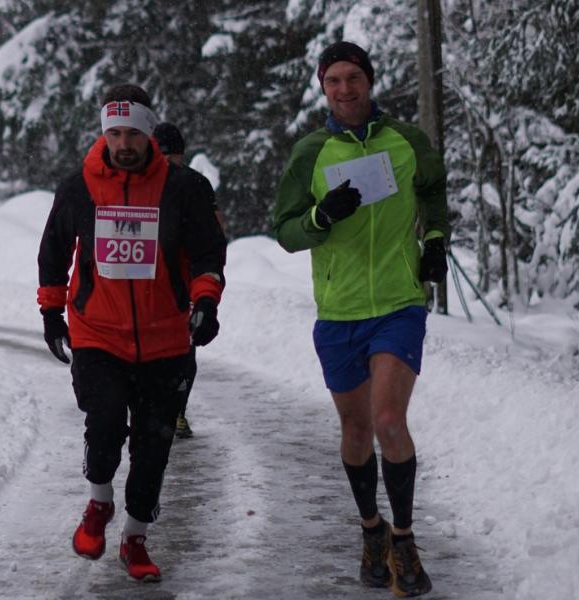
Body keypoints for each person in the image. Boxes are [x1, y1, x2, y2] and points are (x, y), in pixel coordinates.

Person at [271, 41, 449, 598]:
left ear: (370, 81)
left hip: (398, 303)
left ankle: (403, 539)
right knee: (356, 430)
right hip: (339, 311)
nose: (345, 89)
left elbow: (434, 193)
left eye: (354, 78)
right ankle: (370, 529)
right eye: (333, 82)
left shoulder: (407, 141)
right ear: (323, 89)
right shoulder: (311, 152)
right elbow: (284, 230)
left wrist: (436, 241)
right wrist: (320, 216)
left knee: (390, 421)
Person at [38, 84, 227, 583]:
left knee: (153, 445)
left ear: (149, 135)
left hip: (166, 340)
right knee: (103, 425)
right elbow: (54, 253)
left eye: (133, 134)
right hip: (98, 333)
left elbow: (209, 253)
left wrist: (205, 302)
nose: (123, 143)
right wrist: (52, 314)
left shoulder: (181, 188)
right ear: (105, 133)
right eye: (114, 132)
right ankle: (99, 504)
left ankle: (135, 536)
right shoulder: (78, 186)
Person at [150, 121, 228, 440]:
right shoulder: (148, 183)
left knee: (184, 347)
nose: (169, 166)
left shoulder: (194, 184)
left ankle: (176, 410)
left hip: (183, 279)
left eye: (172, 159)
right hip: (159, 278)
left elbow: (214, 229)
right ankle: (163, 409)